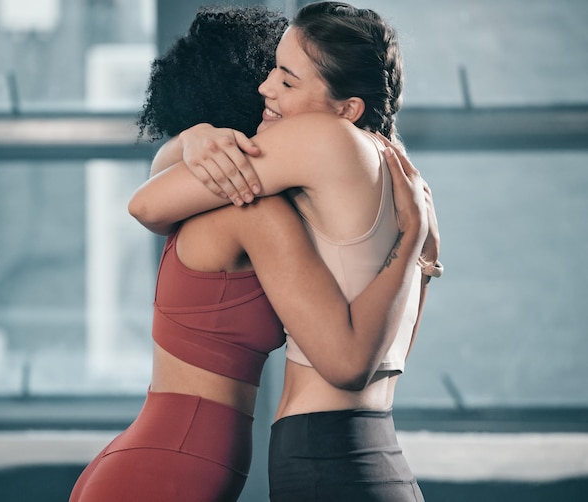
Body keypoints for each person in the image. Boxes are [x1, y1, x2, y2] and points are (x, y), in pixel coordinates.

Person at [70, 5, 432, 502]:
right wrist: (193, 139)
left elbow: (147, 203)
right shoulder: (401, 174)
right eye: (269, 73)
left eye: (286, 80)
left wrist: (189, 141)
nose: (267, 90)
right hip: (364, 449)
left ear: (347, 108)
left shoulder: (317, 144)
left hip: (289, 450)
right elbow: (392, 350)